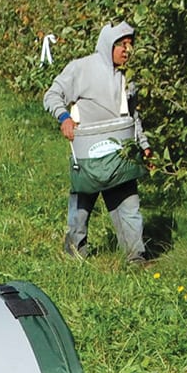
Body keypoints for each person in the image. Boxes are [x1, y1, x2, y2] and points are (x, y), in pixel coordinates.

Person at [42, 22, 151, 264]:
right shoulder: (81, 69)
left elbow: (133, 117)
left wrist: (143, 145)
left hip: (120, 155)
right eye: (122, 45)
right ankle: (75, 251)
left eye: (131, 45)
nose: (127, 50)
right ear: (107, 45)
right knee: (80, 207)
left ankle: (136, 258)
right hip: (89, 153)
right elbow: (52, 95)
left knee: (129, 207)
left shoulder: (128, 78)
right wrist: (64, 118)